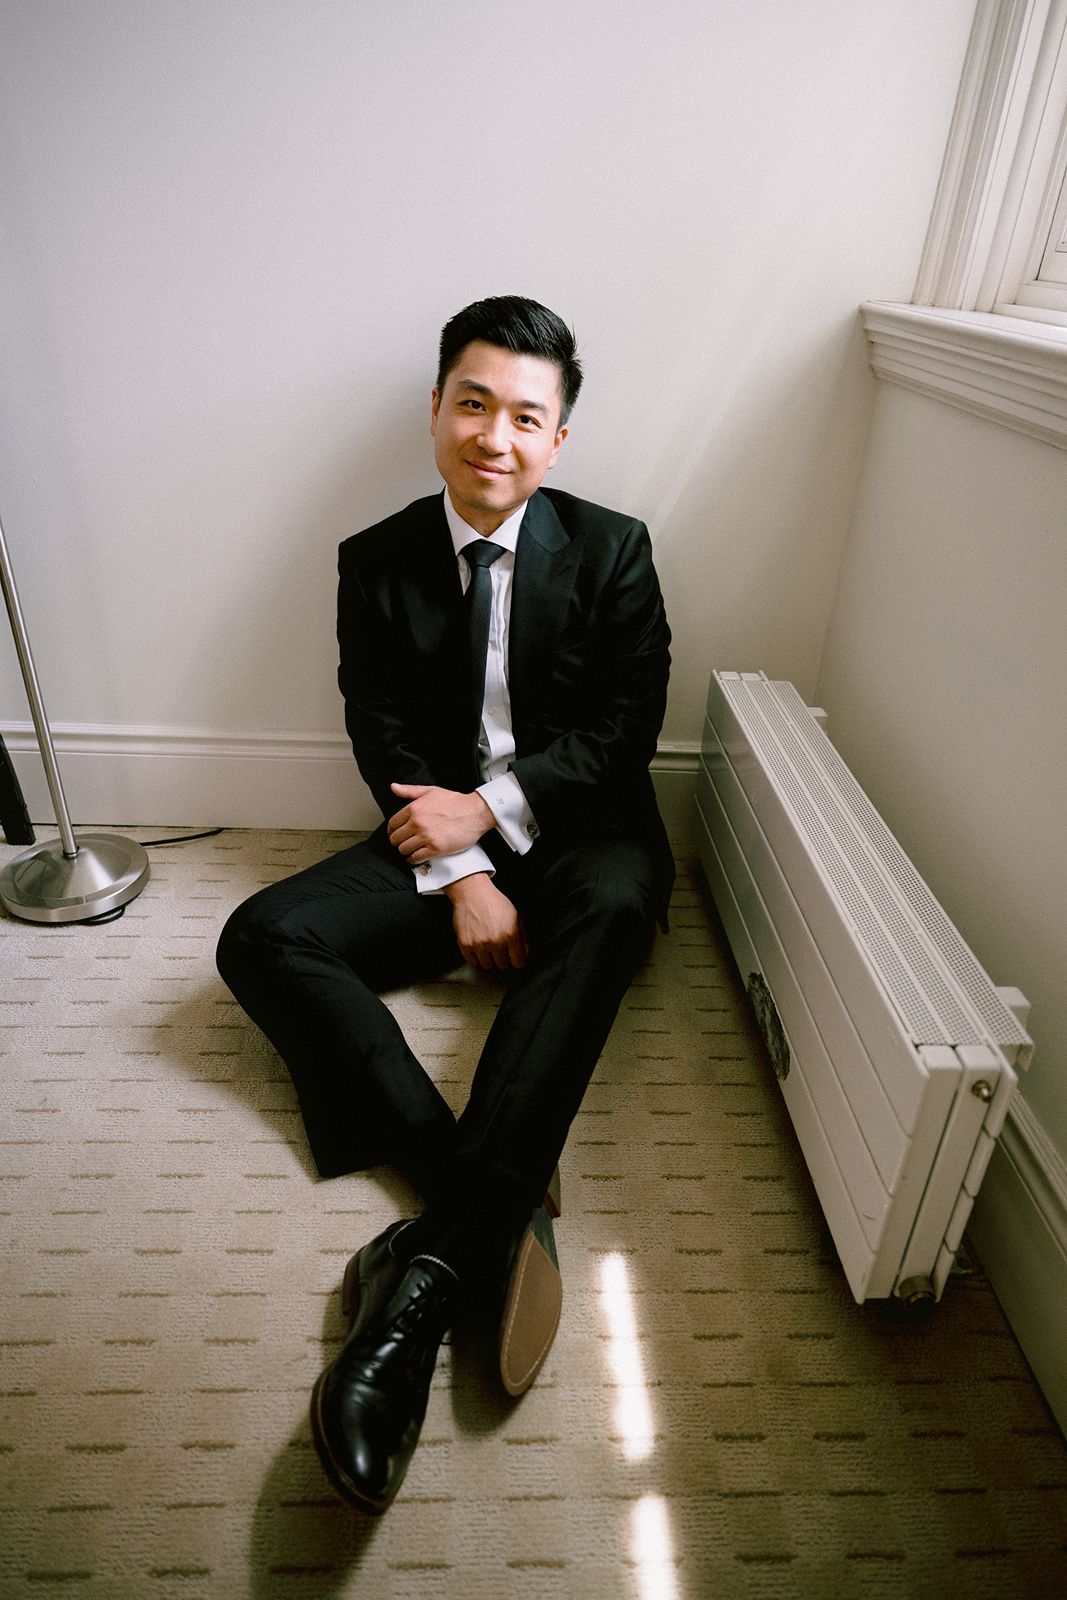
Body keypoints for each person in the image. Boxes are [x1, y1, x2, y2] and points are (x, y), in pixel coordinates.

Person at [215, 295, 673, 1514]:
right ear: (434, 411)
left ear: (557, 439)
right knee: (262, 936)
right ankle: (485, 1188)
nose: (494, 436)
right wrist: (462, 872)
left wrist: (493, 813)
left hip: (578, 835)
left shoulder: (615, 548)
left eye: (525, 416)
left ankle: (415, 1285)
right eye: (472, 404)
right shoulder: (372, 558)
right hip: (438, 839)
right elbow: (383, 733)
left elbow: (621, 736)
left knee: (615, 906)